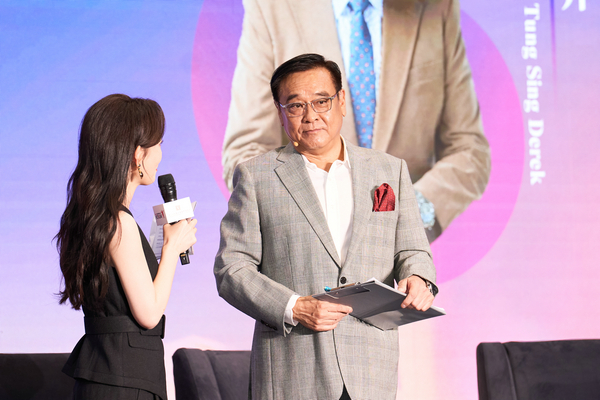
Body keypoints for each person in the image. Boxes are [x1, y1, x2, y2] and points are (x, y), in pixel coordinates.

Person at [215, 54, 437, 400]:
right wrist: (294, 307)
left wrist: (418, 277)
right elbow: (232, 269)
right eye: (296, 105)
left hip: (370, 370)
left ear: (342, 101)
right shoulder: (257, 176)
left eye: (322, 101)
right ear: (280, 113)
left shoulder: (389, 170)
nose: (311, 115)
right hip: (293, 369)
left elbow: (412, 249)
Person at [221, 0, 491, 242]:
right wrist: (307, 214)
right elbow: (246, 152)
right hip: (305, 254)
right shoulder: (270, 7)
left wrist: (410, 211)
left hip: (404, 258)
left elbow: (469, 150)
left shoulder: (436, 6)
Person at [56, 94, 197, 400]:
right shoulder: (119, 222)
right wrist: (172, 248)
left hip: (107, 371)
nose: (161, 154)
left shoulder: (92, 217)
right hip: (125, 380)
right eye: (158, 143)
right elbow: (149, 313)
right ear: (138, 155)